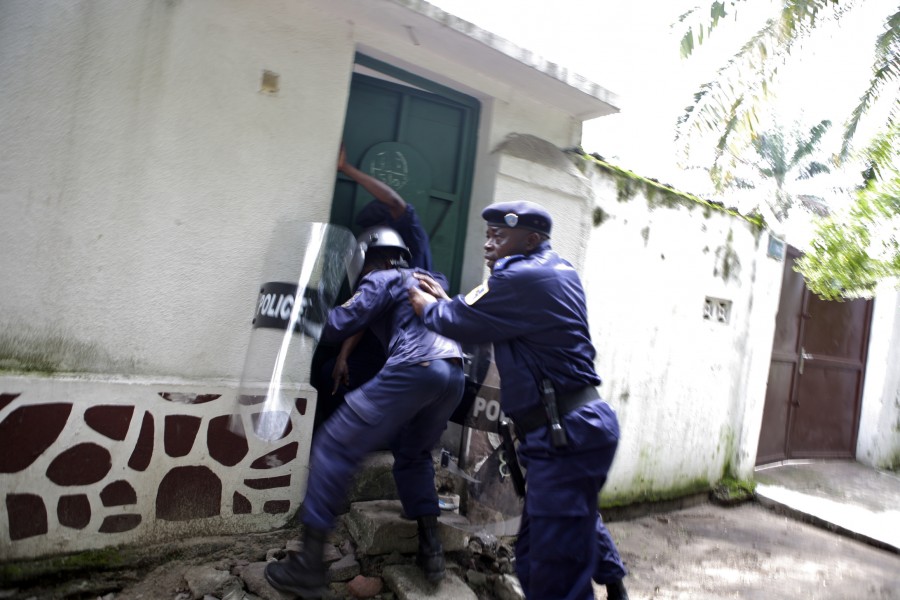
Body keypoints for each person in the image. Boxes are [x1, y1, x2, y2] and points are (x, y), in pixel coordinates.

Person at [408, 200, 630, 600]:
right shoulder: (551, 270)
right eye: (488, 235)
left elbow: (460, 321)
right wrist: (447, 299)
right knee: (545, 542)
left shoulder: (518, 280)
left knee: (550, 574)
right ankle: (614, 584)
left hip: (564, 434)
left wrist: (428, 308)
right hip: (575, 429)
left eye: (500, 236)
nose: (488, 244)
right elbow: (482, 311)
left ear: (531, 239)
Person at [265, 226, 465, 597]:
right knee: (414, 451)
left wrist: (289, 309)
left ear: (363, 262)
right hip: (453, 375)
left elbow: (339, 323)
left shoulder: (381, 278)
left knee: (333, 446)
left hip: (416, 367)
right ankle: (431, 549)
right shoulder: (424, 278)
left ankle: (309, 566)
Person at [311, 146, 434, 430]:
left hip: (410, 348)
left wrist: (347, 169)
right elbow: (365, 308)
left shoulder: (412, 241)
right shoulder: (379, 272)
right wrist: (343, 356)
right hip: (383, 341)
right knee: (334, 371)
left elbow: (393, 200)